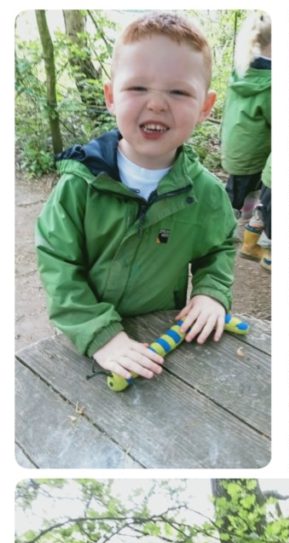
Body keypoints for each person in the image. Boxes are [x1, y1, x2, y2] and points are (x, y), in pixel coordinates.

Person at [35, 12, 236, 385]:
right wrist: (98, 333)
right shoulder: (81, 183)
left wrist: (211, 292)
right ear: (111, 96)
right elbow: (57, 261)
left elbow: (219, 248)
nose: (157, 104)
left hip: (160, 335)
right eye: (138, 88)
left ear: (205, 107)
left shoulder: (205, 193)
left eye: (178, 92)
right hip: (86, 340)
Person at [220, 12, 271, 260]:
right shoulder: (269, 83)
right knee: (238, 197)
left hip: (234, 149)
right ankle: (219, 236)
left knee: (240, 193)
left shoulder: (240, 72)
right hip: (252, 155)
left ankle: (242, 232)